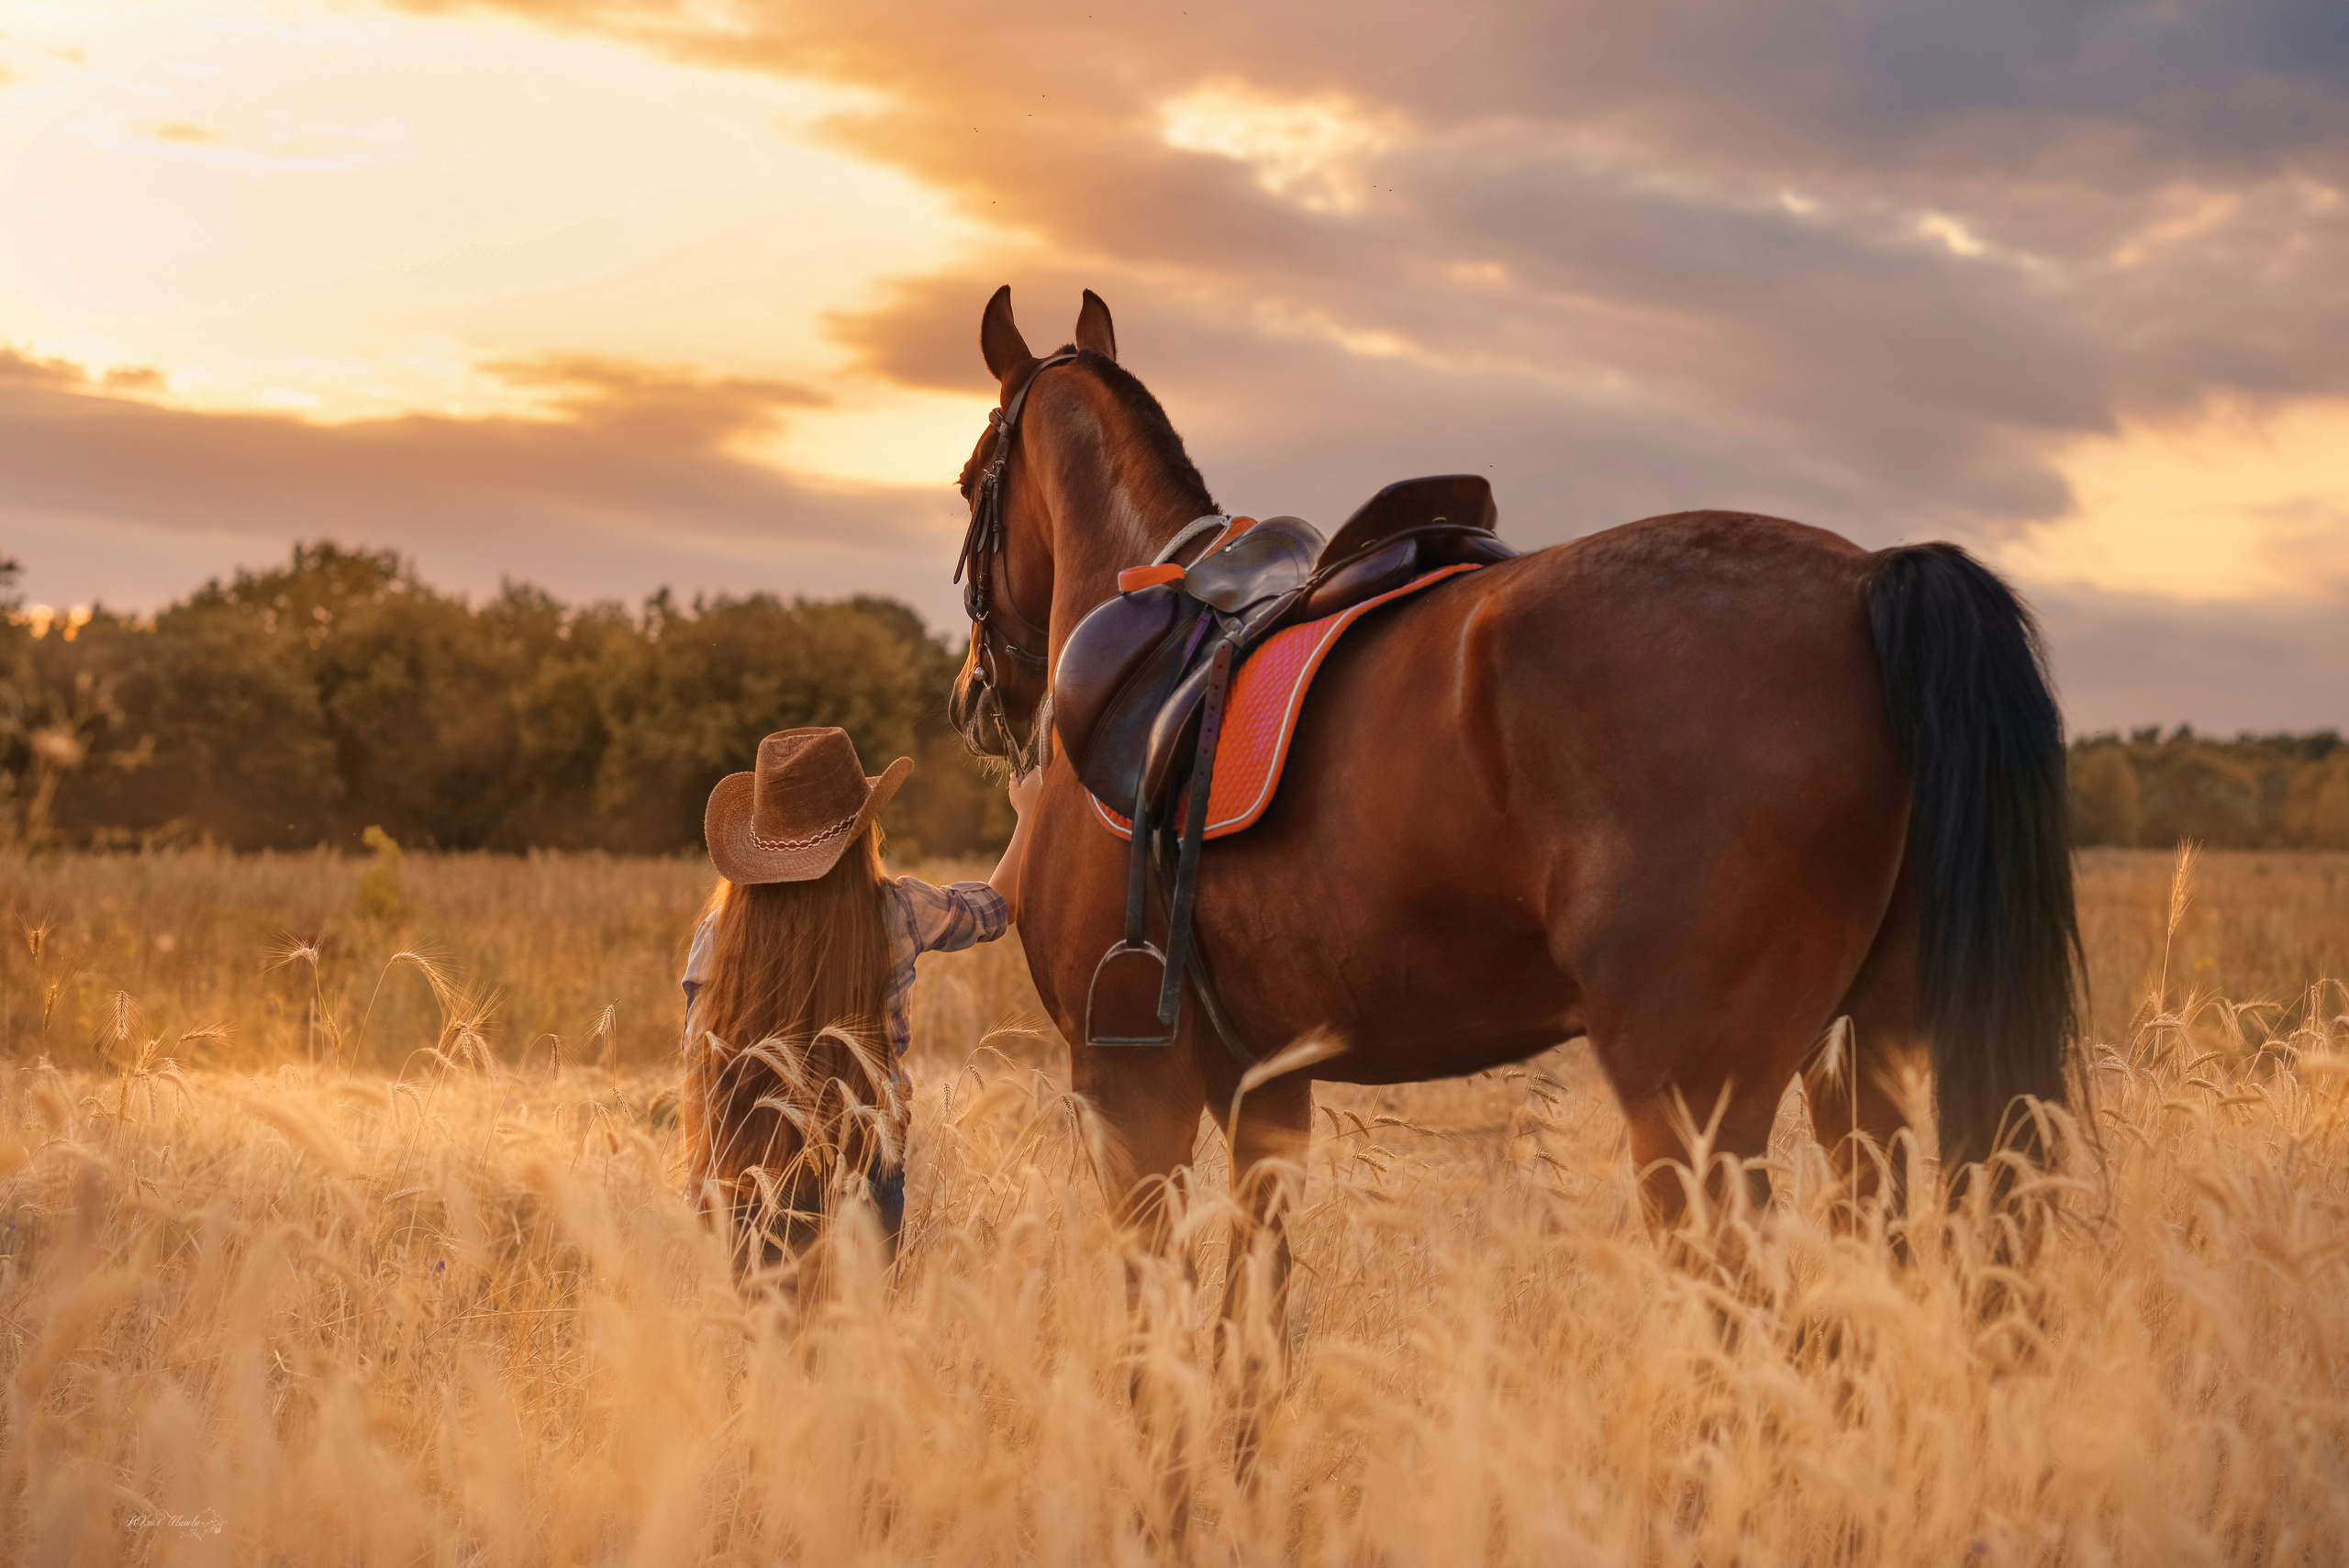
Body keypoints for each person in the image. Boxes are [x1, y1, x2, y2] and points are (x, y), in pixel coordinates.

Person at [680, 726, 1040, 1264]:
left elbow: (701, 1064)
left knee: (771, 1343)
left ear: (760, 846)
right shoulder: (897, 910)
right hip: (864, 1163)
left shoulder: (720, 932)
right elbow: (996, 908)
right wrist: (1030, 815)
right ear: (860, 834)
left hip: (749, 1174)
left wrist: (700, 1175)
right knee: (858, 1342)